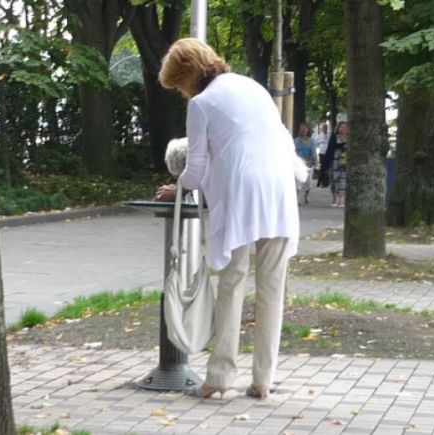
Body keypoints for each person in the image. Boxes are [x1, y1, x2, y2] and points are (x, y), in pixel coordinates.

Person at [155, 38, 299, 400]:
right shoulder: (253, 87)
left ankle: (219, 378)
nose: (182, 94)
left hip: (240, 195)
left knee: (232, 283)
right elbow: (280, 139)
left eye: (178, 86)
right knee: (271, 288)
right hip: (280, 190)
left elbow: (197, 166)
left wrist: (180, 188)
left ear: (186, 76)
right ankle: (263, 379)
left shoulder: (202, 103)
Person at [322, 121, 348, 207]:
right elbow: (332, 146)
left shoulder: (349, 137)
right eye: (341, 127)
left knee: (343, 180)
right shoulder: (333, 136)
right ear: (338, 128)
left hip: (345, 162)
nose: (343, 129)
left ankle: (342, 200)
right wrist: (343, 145)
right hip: (334, 162)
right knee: (334, 180)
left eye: (345, 127)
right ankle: (335, 199)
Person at [294, 123, 317, 204]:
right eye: (302, 128)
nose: (303, 130)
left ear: (308, 130)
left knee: (308, 182)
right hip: (298, 163)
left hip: (308, 163)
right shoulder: (296, 141)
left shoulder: (311, 141)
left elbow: (314, 153)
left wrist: (315, 162)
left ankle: (306, 196)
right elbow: (293, 152)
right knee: (298, 182)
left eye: (305, 128)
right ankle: (297, 199)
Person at [314, 122, 331, 187]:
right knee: (323, 167)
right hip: (322, 153)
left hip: (328, 153)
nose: (325, 129)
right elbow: (316, 144)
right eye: (324, 127)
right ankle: (321, 181)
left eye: (326, 127)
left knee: (327, 168)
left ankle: (325, 181)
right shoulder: (319, 136)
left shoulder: (329, 135)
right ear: (321, 129)